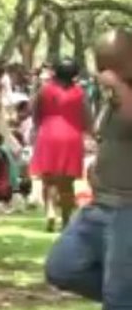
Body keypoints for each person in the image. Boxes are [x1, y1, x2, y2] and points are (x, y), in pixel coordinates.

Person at [45, 29, 132, 310]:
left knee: (118, 298)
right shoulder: (110, 98)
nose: (102, 72)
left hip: (127, 210)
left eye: (109, 65)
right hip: (99, 205)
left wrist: (121, 88)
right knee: (62, 268)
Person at [30, 58, 91, 232]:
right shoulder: (79, 92)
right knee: (67, 182)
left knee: (48, 179)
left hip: (48, 133)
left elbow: (35, 112)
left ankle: (50, 211)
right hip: (71, 135)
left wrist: (38, 127)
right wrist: (89, 132)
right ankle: (65, 219)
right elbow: (87, 117)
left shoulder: (45, 90)